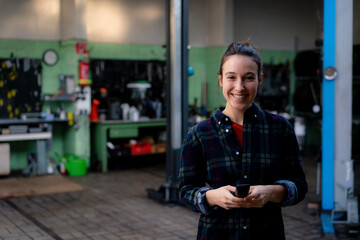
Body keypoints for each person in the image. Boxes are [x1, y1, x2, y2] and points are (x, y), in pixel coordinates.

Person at [178, 40, 308, 240]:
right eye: (231, 77)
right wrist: (211, 197)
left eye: (248, 78)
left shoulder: (280, 129)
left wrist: (271, 192)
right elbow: (185, 190)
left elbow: (299, 185)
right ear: (220, 79)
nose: (239, 87)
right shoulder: (199, 134)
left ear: (260, 80)